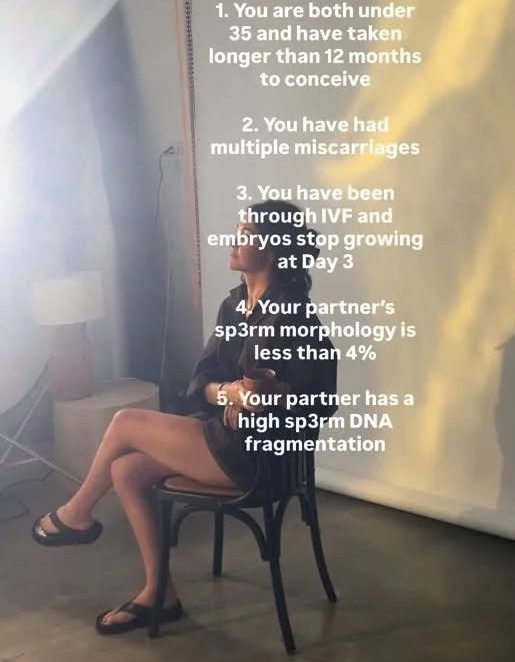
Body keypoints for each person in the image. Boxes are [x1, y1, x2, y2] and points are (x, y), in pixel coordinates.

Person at [32, 201, 338, 636]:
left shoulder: (292, 313)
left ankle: (77, 513)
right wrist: (229, 392)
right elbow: (200, 383)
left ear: (271, 249)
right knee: (126, 470)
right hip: (225, 440)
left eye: (246, 234)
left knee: (126, 422)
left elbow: (319, 397)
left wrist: (267, 399)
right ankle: (160, 593)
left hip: (260, 458)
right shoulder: (235, 305)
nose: (233, 241)